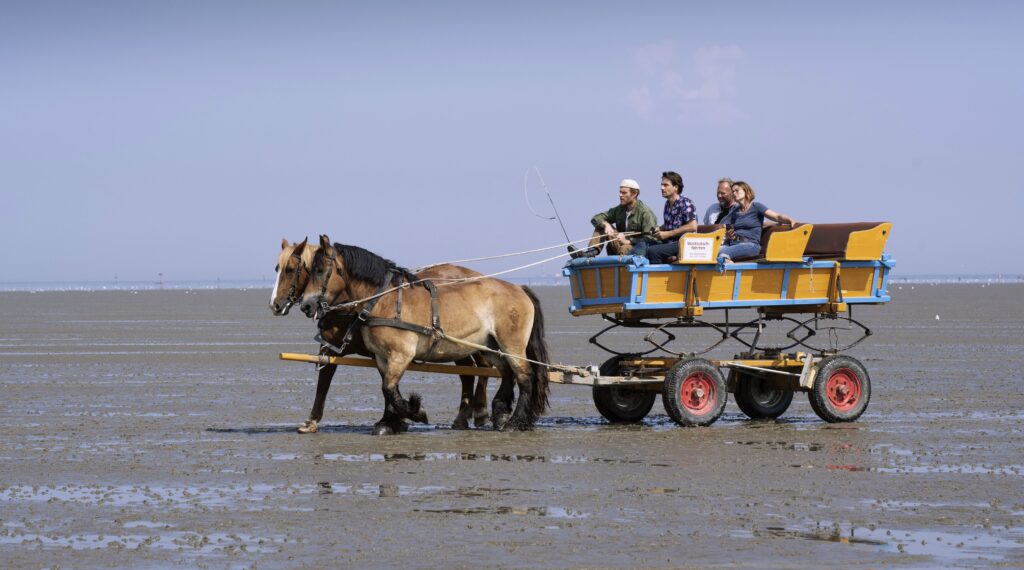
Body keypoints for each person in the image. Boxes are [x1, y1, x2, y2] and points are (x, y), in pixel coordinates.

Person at [569, 179, 658, 258]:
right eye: (620, 192)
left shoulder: (645, 213)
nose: (620, 195)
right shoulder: (620, 209)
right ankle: (591, 252)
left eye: (624, 193)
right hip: (619, 243)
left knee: (624, 248)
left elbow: (650, 239)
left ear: (634, 194)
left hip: (636, 250)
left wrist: (628, 241)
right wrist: (606, 225)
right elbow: (596, 218)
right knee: (601, 225)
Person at [717, 181, 796, 262]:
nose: (734, 193)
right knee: (712, 251)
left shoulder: (756, 207)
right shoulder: (735, 212)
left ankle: (731, 269)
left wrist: (790, 220)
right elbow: (733, 229)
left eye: (737, 190)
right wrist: (729, 234)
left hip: (750, 245)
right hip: (734, 244)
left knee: (723, 252)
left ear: (746, 191)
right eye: (732, 191)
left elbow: (777, 216)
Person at [646, 171, 698, 264]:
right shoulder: (667, 204)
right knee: (644, 245)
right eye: (662, 185)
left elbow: (692, 226)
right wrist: (658, 229)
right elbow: (669, 224)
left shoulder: (685, 203)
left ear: (676, 187)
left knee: (653, 251)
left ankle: (658, 277)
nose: (661, 188)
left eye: (666, 185)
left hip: (684, 243)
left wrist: (668, 234)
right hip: (670, 243)